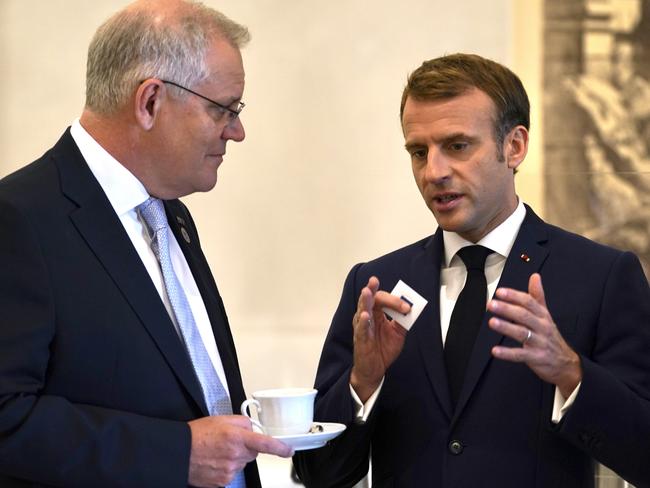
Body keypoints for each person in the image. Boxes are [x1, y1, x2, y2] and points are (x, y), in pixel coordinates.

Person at [293, 53, 650, 487]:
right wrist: (362, 384)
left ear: (514, 146)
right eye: (418, 152)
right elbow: (318, 473)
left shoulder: (601, 277)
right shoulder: (376, 286)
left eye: (458, 146)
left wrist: (571, 374)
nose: (434, 172)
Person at [0, 1, 293, 486]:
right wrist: (177, 453)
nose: (236, 131)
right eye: (222, 108)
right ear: (151, 101)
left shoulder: (170, 215)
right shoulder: (19, 219)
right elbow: (7, 416)